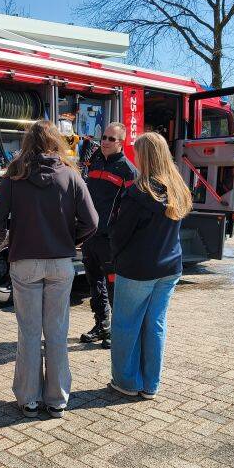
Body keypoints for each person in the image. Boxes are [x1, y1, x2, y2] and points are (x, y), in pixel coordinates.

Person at [0, 120, 98, 419]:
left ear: (28, 143)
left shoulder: (15, 175)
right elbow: (92, 222)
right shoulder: (71, 176)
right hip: (61, 262)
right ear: (55, 141)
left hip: (24, 263)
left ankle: (29, 399)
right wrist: (69, 240)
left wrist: (12, 236)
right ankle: (58, 399)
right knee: (57, 332)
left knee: (29, 332)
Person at [108, 132, 193, 399]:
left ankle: (127, 382)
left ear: (145, 156)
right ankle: (151, 385)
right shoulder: (177, 188)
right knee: (155, 324)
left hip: (137, 269)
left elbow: (120, 234)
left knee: (125, 325)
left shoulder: (138, 192)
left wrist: (114, 256)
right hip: (169, 268)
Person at [80, 123, 138, 349]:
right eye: (103, 137)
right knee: (94, 284)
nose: (104, 141)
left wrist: (120, 237)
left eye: (111, 138)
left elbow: (131, 210)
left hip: (111, 241)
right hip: (90, 237)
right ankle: (101, 325)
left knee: (114, 288)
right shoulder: (93, 161)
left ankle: (117, 331)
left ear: (120, 142)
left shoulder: (128, 170)